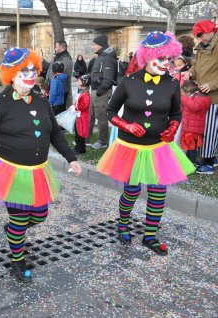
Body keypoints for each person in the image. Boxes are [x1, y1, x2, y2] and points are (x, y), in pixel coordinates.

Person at [0, 47, 81, 282]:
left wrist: (71, 157)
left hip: (38, 171)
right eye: (24, 70)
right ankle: (17, 261)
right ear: (12, 74)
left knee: (40, 215)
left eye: (33, 69)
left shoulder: (41, 100)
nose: (31, 74)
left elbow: (55, 132)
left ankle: (14, 232)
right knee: (20, 218)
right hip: (10, 171)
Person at [96, 31, 195, 256]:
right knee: (131, 191)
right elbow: (110, 110)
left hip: (159, 148)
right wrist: (126, 125)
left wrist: (172, 127)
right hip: (130, 147)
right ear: (148, 57)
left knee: (158, 192)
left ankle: (150, 235)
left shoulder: (171, 83)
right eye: (161, 59)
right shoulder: (129, 81)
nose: (165, 64)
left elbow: (176, 113)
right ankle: (123, 225)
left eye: (168, 60)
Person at [183, 20, 218, 174]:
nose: (199, 39)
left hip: (214, 96)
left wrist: (212, 84)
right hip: (203, 95)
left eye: (201, 35)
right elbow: (195, 65)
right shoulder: (202, 47)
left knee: (210, 129)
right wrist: (191, 72)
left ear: (210, 31)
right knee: (208, 128)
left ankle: (208, 162)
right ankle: (212, 158)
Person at [89, 34, 117, 149]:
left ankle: (102, 141)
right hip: (95, 90)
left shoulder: (107, 58)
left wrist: (99, 92)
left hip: (101, 92)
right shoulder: (101, 56)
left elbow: (108, 79)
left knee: (101, 118)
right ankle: (86, 138)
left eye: (94, 44)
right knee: (90, 115)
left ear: (100, 45)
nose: (93, 47)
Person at [180, 80, 212, 164]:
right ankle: (188, 161)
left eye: (182, 92)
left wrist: (182, 98)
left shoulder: (200, 99)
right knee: (188, 146)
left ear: (187, 92)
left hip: (193, 128)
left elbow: (194, 107)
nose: (181, 94)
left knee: (191, 147)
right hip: (189, 126)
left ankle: (192, 163)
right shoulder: (190, 98)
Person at [45, 41, 73, 108]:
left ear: (61, 47)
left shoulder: (66, 59)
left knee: (58, 111)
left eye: (56, 47)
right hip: (54, 88)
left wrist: (53, 81)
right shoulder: (59, 57)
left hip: (59, 91)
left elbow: (63, 75)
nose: (55, 48)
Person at [73, 74, 91, 155]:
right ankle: (78, 147)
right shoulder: (82, 93)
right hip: (79, 116)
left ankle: (80, 149)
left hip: (83, 117)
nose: (77, 83)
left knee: (80, 133)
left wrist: (76, 107)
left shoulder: (86, 95)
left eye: (79, 82)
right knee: (77, 131)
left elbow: (84, 106)